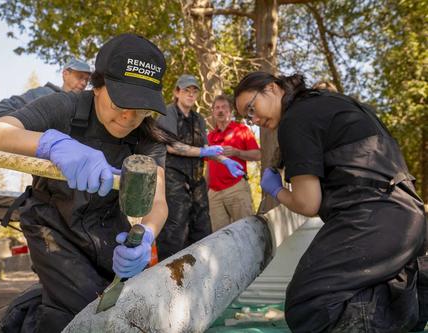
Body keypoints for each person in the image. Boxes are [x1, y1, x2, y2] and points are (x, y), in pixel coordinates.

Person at [0, 33, 171, 332]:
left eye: (141, 107)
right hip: (52, 223)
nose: (129, 116)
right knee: (82, 312)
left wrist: (146, 236)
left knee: (118, 306)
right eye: (122, 101)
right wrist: (50, 143)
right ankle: (10, 323)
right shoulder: (63, 107)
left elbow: (157, 202)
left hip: (108, 228)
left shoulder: (149, 138)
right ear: (98, 86)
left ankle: (34, 306)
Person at [234, 71, 426, 333]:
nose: (254, 119)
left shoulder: (295, 119)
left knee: (309, 307)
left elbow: (308, 203)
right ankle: (418, 287)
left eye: (251, 108)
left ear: (271, 88)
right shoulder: (327, 103)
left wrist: (276, 190)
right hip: (407, 215)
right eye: (248, 116)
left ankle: (414, 301)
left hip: (372, 215)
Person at [155, 75, 244, 260]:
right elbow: (172, 146)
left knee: (202, 227)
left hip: (196, 180)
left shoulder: (198, 119)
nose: (191, 94)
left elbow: (204, 149)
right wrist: (203, 152)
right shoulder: (168, 113)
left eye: (194, 90)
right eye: (186, 90)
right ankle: (170, 275)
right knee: (176, 229)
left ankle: (201, 268)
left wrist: (224, 160)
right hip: (174, 179)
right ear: (177, 92)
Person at [206, 94, 261, 231]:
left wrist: (237, 152)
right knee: (218, 237)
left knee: (245, 231)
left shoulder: (241, 130)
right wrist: (206, 190)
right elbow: (209, 167)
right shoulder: (210, 136)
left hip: (236, 188)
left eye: (224, 107)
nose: (220, 110)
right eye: (217, 108)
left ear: (230, 111)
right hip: (214, 194)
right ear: (213, 112)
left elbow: (258, 154)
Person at [0, 57, 91, 117]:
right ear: (65, 74)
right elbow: (4, 107)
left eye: (87, 80)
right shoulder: (43, 93)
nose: (84, 83)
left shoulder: (85, 108)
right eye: (80, 77)